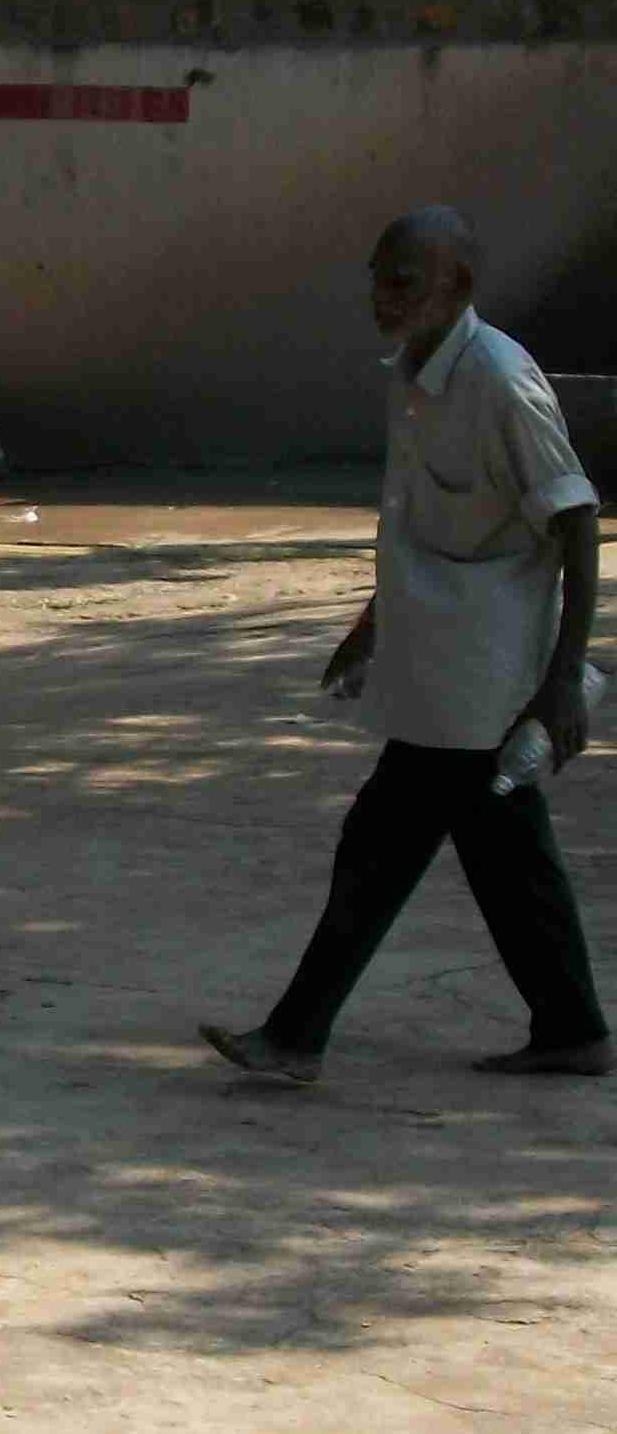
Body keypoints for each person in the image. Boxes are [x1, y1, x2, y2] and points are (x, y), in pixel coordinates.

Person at [206, 206, 606, 1084]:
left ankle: (296, 1036)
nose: (383, 298)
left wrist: (560, 683)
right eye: (378, 280)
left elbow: (576, 522)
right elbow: (416, 524)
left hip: (485, 675)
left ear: (457, 287)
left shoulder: (500, 382)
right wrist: (371, 627)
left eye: (404, 282)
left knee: (380, 846)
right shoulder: (413, 376)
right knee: (504, 853)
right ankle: (572, 1026)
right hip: (439, 667)